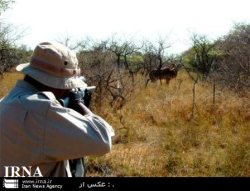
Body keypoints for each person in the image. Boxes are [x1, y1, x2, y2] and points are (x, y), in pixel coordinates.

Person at [0, 42, 115, 177]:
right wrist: (79, 103)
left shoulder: (6, 101)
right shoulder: (42, 110)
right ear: (56, 85)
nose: (67, 90)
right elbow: (103, 141)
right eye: (67, 86)